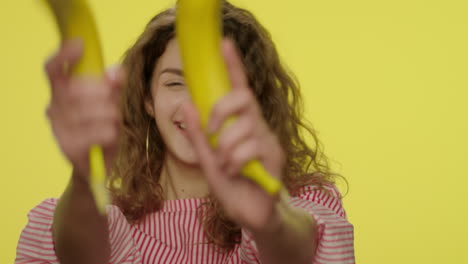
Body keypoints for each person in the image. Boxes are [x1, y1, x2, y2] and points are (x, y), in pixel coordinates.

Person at [15, 2, 354, 263]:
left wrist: (270, 223)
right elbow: (80, 252)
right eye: (176, 83)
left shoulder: (299, 204)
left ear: (252, 100)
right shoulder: (102, 216)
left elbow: (299, 251)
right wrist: (85, 176)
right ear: (148, 98)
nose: (196, 110)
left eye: (212, 87)